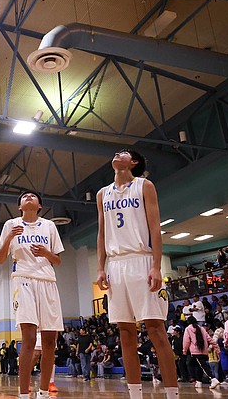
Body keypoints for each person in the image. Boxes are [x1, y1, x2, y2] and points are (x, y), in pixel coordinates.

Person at [95, 149, 178, 399]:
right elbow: (102, 233)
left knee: (155, 330)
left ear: (133, 163)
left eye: (124, 153)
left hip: (141, 260)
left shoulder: (145, 185)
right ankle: (135, 395)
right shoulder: (102, 194)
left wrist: (155, 265)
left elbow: (155, 227)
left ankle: (172, 394)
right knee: (125, 332)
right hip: (116, 264)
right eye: (116, 152)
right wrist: (101, 266)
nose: (118, 154)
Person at [0, 190, 64, 399]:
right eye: (24, 197)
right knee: (28, 338)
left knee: (50, 342)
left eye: (32, 196)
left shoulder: (49, 226)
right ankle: (23, 394)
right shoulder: (11, 224)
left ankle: (44, 392)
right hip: (23, 279)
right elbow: (0, 258)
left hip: (48, 281)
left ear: (39, 206)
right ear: (19, 207)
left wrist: (45, 253)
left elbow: (58, 260)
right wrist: (9, 237)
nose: (28, 197)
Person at [182, 317, 219, 389]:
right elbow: (209, 339)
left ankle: (213, 379)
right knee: (200, 367)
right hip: (204, 351)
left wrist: (184, 350)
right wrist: (216, 347)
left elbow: (186, 341)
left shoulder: (188, 329)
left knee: (203, 366)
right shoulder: (202, 328)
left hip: (196, 352)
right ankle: (199, 382)